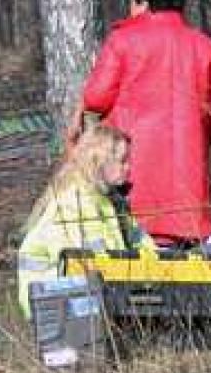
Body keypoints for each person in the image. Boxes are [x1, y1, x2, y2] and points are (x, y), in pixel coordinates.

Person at [69, 0, 211, 246]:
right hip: (188, 169)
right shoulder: (204, 45)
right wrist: (196, 134)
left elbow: (96, 98)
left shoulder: (123, 39)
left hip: (132, 160)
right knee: (186, 254)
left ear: (145, 2)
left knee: (132, 245)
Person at [18, 124, 155, 318]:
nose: (128, 168)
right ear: (99, 161)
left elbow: (141, 243)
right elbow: (83, 265)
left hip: (88, 296)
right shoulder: (74, 202)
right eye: (122, 161)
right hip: (54, 304)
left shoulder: (112, 201)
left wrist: (163, 268)